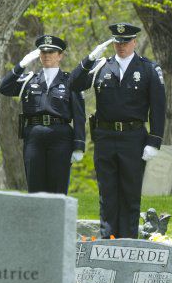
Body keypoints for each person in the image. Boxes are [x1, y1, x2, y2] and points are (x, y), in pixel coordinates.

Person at [69, 23, 166, 239]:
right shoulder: (101, 66)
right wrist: (88, 60)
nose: (121, 46)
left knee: (130, 193)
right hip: (105, 137)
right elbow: (73, 84)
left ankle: (128, 241)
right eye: (117, 41)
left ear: (135, 42)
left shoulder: (148, 69)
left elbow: (158, 108)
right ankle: (108, 241)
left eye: (125, 41)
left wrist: (154, 141)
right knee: (107, 194)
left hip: (133, 138)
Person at [0, 35, 86, 194]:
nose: (46, 55)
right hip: (34, 136)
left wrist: (79, 145)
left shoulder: (70, 80)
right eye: (43, 52)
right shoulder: (29, 80)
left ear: (60, 56)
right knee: (35, 186)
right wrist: (20, 65)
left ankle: (57, 219)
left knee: (58, 187)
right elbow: (4, 88)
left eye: (51, 52)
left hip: (60, 136)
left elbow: (79, 115)